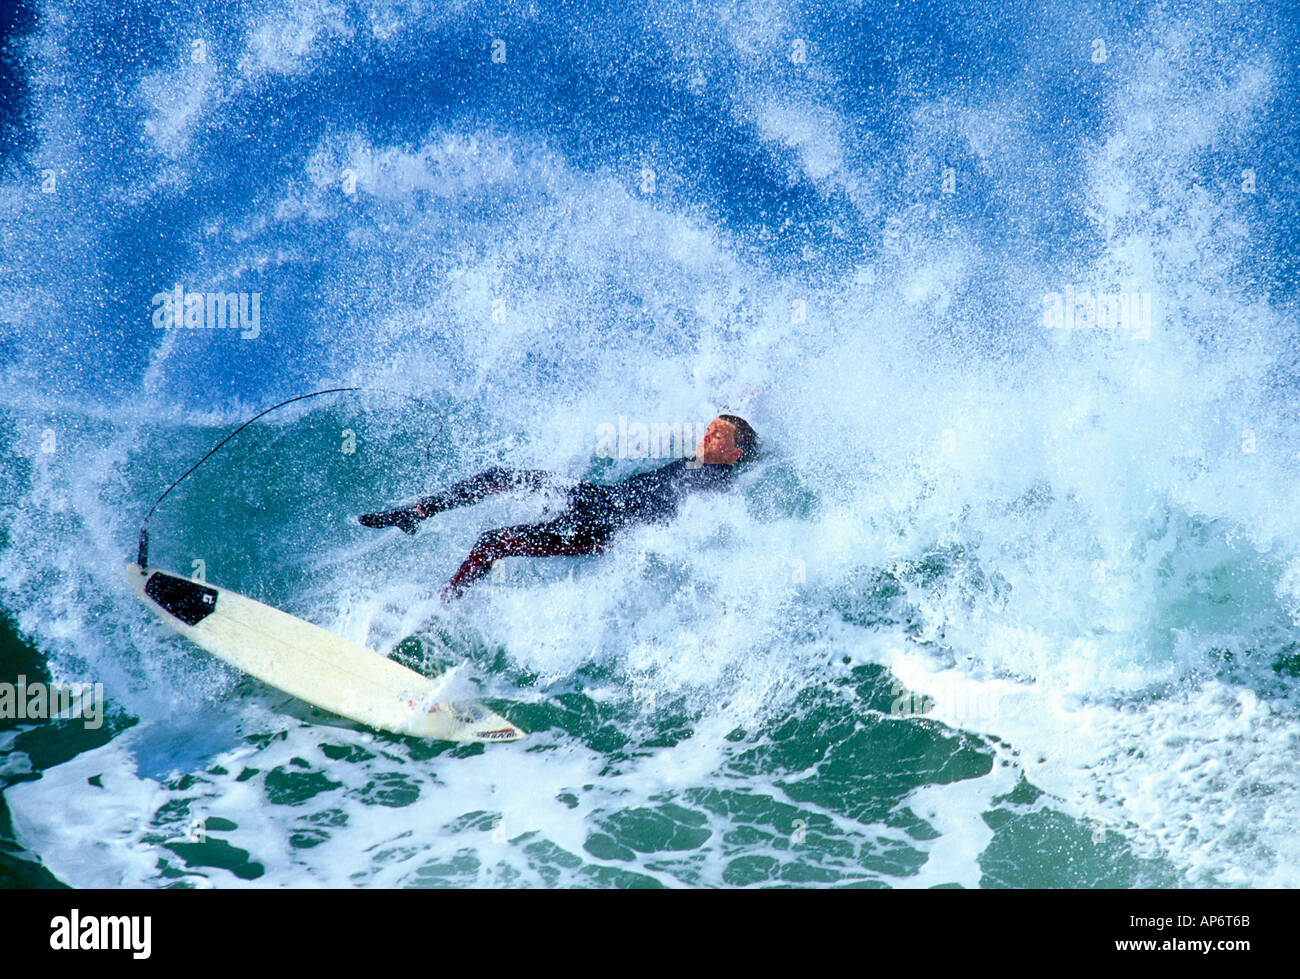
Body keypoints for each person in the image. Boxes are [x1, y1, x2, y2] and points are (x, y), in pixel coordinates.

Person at [359, 415, 759, 599]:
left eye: (716, 435)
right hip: (599, 497)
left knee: (493, 542)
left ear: (736, 453)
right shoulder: (698, 461)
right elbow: (738, 417)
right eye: (707, 429)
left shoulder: (715, 484)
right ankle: (416, 513)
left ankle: (442, 604)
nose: (705, 436)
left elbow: (709, 536)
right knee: (501, 475)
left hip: (606, 529)